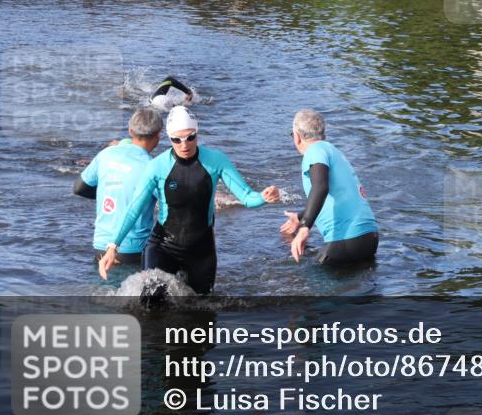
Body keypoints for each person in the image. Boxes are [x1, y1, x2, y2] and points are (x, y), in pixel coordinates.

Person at [99, 106, 280, 293]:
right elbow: (134, 208)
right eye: (176, 140)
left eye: (190, 137)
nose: (184, 145)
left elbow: (247, 197)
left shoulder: (215, 160)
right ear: (169, 138)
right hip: (163, 246)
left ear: (197, 132)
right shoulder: (157, 166)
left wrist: (264, 197)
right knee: (151, 303)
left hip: (201, 250)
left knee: (200, 311)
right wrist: (113, 246)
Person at [280, 110, 379, 266]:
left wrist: (305, 227)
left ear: (297, 136)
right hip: (370, 239)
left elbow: (320, 187)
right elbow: (334, 196)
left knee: (300, 282)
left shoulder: (314, 152)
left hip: (346, 240)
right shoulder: (333, 151)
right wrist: (300, 217)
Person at [75, 109, 162, 267]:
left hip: (100, 245)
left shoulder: (106, 154)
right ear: (158, 134)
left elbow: (79, 188)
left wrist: (111, 192)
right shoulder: (152, 167)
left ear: (130, 131)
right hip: (134, 249)